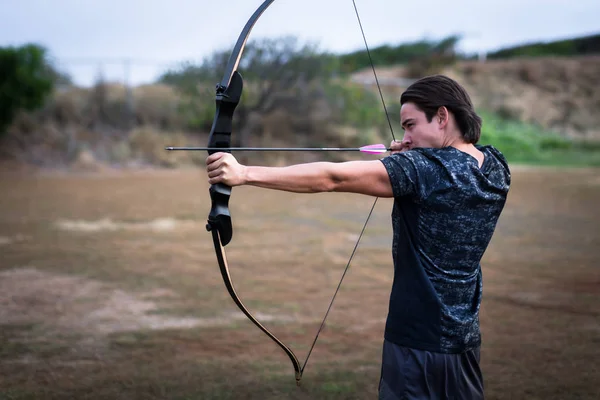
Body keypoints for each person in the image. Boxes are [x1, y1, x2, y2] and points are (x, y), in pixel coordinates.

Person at [205, 75, 511, 399]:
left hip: (416, 340)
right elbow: (448, 173)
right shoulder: (496, 167)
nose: (405, 136)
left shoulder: (423, 170)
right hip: (464, 341)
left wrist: (243, 173)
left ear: (442, 117)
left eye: (410, 125)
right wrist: (410, 156)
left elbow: (332, 178)